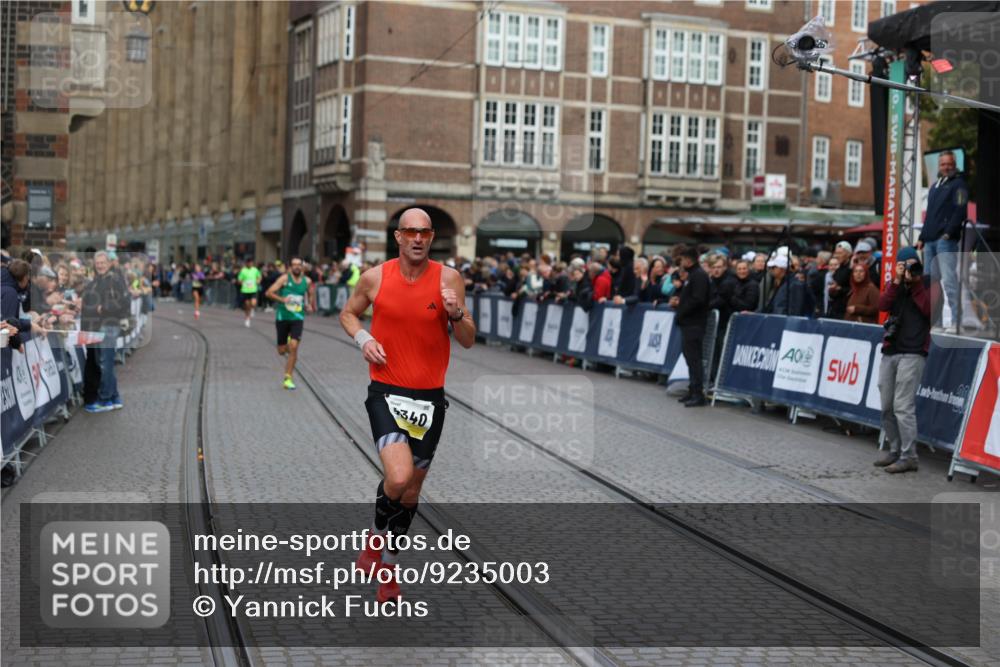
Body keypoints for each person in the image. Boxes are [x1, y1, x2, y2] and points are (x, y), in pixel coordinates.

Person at [339, 208, 475, 602]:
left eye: (425, 232)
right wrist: (363, 338)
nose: (417, 238)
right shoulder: (375, 277)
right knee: (398, 478)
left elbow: (467, 339)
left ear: (431, 238)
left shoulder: (449, 279)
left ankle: (388, 568)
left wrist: (457, 313)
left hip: (430, 400)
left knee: (412, 492)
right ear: (398, 237)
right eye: (410, 232)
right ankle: (375, 543)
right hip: (386, 392)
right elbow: (348, 314)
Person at [875, 250, 930, 474]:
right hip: (891, 350)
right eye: (905, 265)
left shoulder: (928, 283)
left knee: (903, 406)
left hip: (913, 352)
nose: (909, 269)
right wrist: (896, 281)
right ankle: (895, 449)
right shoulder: (895, 284)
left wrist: (915, 283)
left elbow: (929, 309)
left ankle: (910, 457)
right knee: (887, 405)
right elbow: (882, 305)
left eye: (913, 265)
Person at [918, 150, 968, 328]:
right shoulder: (934, 186)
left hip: (945, 240)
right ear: (939, 166)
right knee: (931, 284)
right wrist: (921, 237)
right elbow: (930, 215)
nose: (945, 167)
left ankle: (956, 321)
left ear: (954, 165)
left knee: (949, 281)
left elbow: (961, 210)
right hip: (930, 241)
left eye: (948, 164)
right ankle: (936, 322)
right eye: (942, 164)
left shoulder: (959, 184)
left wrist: (948, 232)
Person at [80, 251, 130, 413]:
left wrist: (103, 308)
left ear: (109, 264)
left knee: (104, 363)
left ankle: (105, 398)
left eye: (103, 262)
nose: (100, 265)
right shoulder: (97, 280)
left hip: (109, 324)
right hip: (98, 325)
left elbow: (123, 300)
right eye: (98, 263)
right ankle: (114, 397)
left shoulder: (115, 279)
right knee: (106, 362)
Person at [265, 257, 315, 390]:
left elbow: (311, 294)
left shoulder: (307, 281)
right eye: (294, 265)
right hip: (282, 317)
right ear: (290, 267)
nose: (297, 267)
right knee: (282, 351)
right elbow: (269, 292)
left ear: (302, 267)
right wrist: (282, 299)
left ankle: (288, 377)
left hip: (298, 318)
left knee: (293, 346)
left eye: (299, 264)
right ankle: (286, 345)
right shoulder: (284, 279)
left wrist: (309, 304)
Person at [670, 246, 710, 407]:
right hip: (689, 323)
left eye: (683, 259)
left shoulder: (698, 276)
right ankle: (693, 390)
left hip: (694, 323)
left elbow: (698, 299)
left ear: (688, 259)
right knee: (690, 358)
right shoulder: (693, 275)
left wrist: (683, 309)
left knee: (694, 360)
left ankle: (698, 394)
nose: (681, 263)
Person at [236, 257, 261, 327]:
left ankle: (252, 309)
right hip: (245, 290)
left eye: (251, 262)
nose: (250, 263)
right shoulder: (243, 270)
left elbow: (259, 277)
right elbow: (239, 279)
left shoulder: (255, 270)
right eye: (248, 262)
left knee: (253, 303)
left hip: (253, 289)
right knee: (247, 305)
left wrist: (258, 281)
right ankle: (247, 319)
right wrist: (242, 282)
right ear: (246, 263)